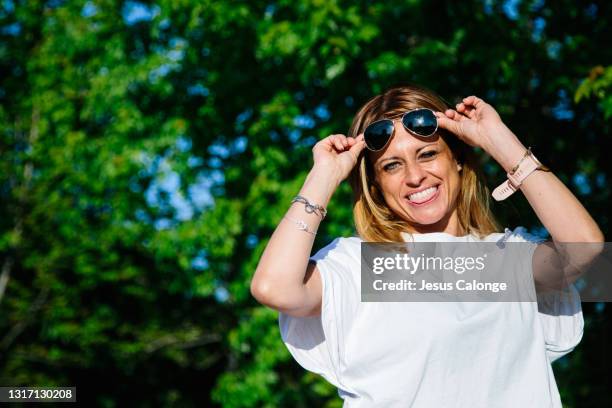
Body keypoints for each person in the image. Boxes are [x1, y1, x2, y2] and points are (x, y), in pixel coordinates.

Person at [250, 84, 603, 407]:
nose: (414, 177)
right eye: (392, 165)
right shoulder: (361, 265)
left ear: (459, 160)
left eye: (427, 154)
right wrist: (323, 175)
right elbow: (274, 287)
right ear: (376, 187)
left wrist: (498, 140)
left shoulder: (506, 258)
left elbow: (585, 248)